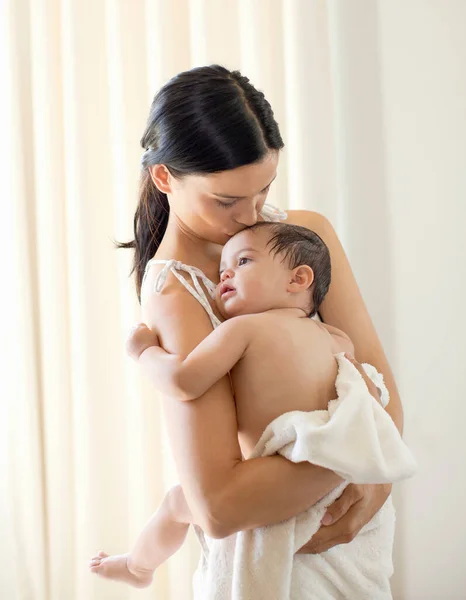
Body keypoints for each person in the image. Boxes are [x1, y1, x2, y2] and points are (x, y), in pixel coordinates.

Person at [91, 65, 403, 593]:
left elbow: (384, 393)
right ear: (164, 177)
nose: (251, 216)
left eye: (263, 190)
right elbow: (218, 508)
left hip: (344, 547)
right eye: (226, 200)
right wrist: (361, 457)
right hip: (279, 557)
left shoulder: (305, 239)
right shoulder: (178, 297)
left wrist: (375, 480)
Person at [89, 222, 396, 590]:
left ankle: (138, 567)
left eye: (244, 261)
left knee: (176, 503)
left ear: (298, 278)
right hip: (334, 482)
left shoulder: (244, 330)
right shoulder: (336, 339)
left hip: (277, 485)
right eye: (221, 271)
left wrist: (144, 351)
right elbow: (371, 400)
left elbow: (185, 381)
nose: (226, 273)